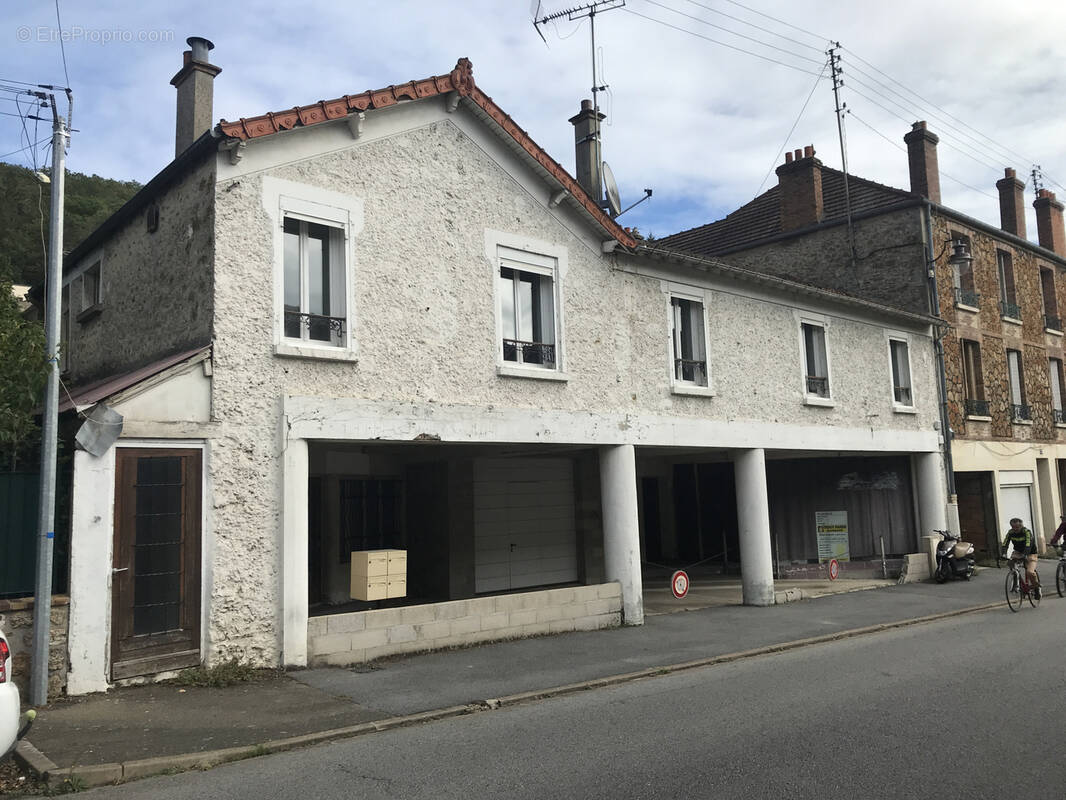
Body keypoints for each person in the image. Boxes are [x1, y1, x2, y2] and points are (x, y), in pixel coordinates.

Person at [1003, 517, 1040, 595]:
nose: (1015, 529)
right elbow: (1005, 543)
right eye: (1013, 527)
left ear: (1021, 526)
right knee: (1010, 563)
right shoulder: (1010, 532)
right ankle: (1016, 580)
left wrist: (1025, 555)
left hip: (1030, 553)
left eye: (1017, 527)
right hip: (1018, 552)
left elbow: (1028, 544)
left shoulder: (1027, 532)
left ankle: (1036, 587)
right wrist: (1003, 553)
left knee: (1030, 572)